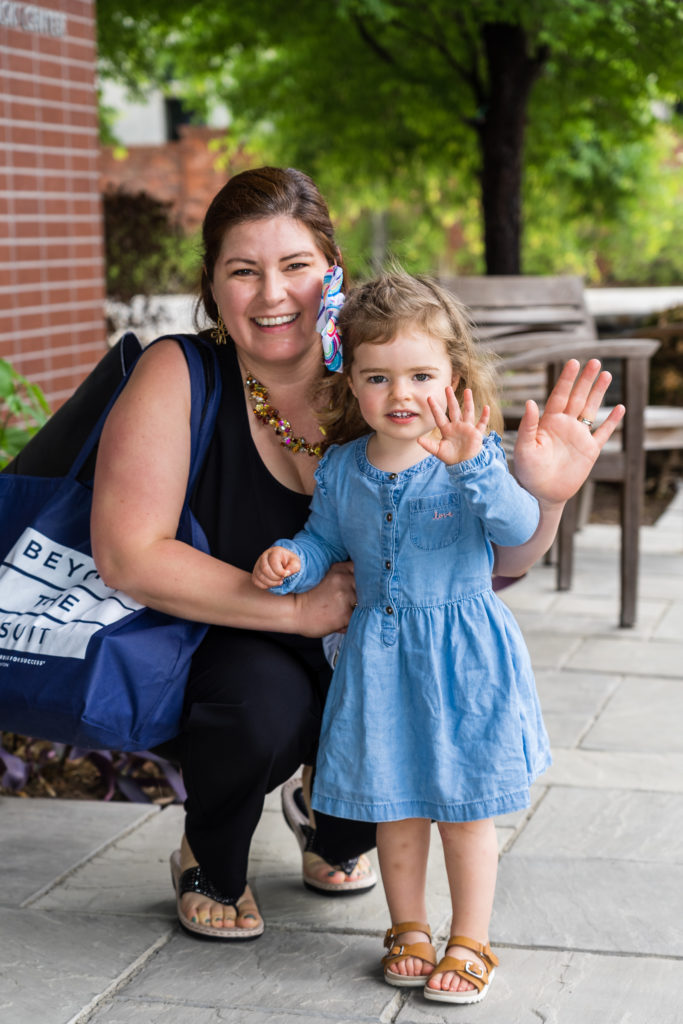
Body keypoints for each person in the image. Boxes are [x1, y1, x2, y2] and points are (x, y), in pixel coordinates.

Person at [90, 167, 624, 944]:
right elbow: (128, 554)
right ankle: (209, 850)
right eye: (244, 271)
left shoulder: (397, 370)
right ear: (212, 285)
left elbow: (500, 556)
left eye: (295, 267)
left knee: (368, 813)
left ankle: (326, 816)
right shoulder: (182, 373)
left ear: (332, 274)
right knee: (258, 710)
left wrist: (544, 496)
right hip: (238, 638)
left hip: (383, 644)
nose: (273, 294)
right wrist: (300, 609)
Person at [252, 270, 624, 1002]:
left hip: (463, 660)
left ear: (454, 375)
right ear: (350, 383)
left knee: (463, 810)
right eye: (377, 376)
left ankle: (471, 940)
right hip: (379, 660)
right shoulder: (342, 467)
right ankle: (409, 928)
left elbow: (516, 529)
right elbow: (325, 539)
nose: (400, 395)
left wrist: (480, 465)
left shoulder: (471, 459)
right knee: (393, 805)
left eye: (421, 374)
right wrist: (295, 563)